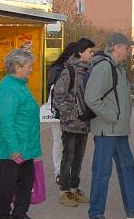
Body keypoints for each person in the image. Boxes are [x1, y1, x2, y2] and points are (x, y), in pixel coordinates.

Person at [84, 33, 134, 219]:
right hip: (107, 130)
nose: (129, 51)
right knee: (102, 172)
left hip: (118, 130)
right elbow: (91, 98)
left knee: (127, 167)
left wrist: (117, 119)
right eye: (127, 47)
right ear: (116, 47)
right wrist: (112, 116)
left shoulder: (119, 68)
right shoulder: (104, 67)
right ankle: (96, 214)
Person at [0, 49, 41, 219]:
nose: (31, 69)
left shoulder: (20, 85)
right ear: (17, 67)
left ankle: (20, 214)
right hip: (11, 148)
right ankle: (3, 216)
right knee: (7, 186)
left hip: (25, 145)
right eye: (28, 66)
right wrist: (14, 148)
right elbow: (6, 121)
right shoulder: (9, 89)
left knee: (25, 183)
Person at [54, 38, 95, 207]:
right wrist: (69, 116)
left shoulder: (89, 71)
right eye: (90, 51)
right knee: (68, 157)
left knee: (78, 158)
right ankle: (64, 191)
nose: (92, 54)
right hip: (71, 124)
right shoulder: (68, 71)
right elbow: (59, 96)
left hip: (84, 124)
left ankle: (74, 187)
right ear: (80, 52)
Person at [46, 41, 77, 185]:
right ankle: (58, 172)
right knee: (59, 141)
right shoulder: (57, 68)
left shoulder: (77, 68)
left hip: (71, 111)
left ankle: (66, 171)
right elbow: (52, 89)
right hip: (57, 111)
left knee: (70, 144)